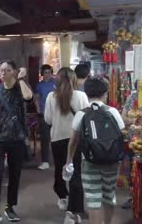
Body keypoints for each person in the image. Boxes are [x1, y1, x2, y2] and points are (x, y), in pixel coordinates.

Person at [66, 76, 126, 224]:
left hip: (89, 161)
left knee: (93, 199)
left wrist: (68, 161)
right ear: (105, 93)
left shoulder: (82, 114)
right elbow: (122, 136)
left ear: (86, 93)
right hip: (112, 162)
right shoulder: (113, 112)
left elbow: (73, 141)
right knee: (109, 195)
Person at [0, 60, 33, 224]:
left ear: (14, 72)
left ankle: (10, 207)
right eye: (1, 70)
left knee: (14, 174)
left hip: (17, 139)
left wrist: (21, 79)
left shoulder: (20, 88)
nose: (2, 73)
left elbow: (28, 97)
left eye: (7, 70)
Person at [44, 68, 88, 224]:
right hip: (76, 140)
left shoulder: (51, 96)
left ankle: (63, 196)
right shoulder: (82, 96)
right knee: (76, 173)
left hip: (57, 139)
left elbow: (48, 120)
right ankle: (73, 210)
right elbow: (85, 119)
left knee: (60, 169)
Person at [34, 64, 55, 170]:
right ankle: (45, 161)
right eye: (45, 72)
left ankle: (58, 159)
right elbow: (37, 97)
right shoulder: (39, 85)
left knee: (56, 138)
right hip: (43, 114)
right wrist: (38, 108)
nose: (47, 74)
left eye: (49, 72)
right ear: (42, 74)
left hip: (56, 114)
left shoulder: (55, 84)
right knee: (44, 138)